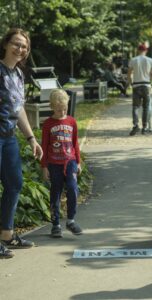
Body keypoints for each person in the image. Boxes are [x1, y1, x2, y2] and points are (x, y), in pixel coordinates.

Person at [0, 28, 43, 259]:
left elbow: (18, 109)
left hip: (8, 138)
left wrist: (31, 138)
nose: (20, 49)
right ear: (6, 44)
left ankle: (7, 235)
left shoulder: (18, 74)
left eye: (24, 46)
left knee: (15, 184)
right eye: (16, 44)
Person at [41, 89, 82, 238]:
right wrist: (44, 166)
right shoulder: (48, 124)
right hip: (54, 164)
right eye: (58, 110)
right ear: (52, 107)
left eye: (64, 109)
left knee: (72, 189)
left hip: (70, 162)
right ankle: (56, 224)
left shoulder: (72, 121)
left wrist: (78, 162)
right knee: (55, 192)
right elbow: (44, 146)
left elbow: (75, 143)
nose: (62, 112)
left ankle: (71, 220)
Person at [127, 44, 152, 135]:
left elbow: (129, 73)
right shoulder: (150, 60)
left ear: (138, 50)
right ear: (146, 50)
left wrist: (131, 82)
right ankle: (144, 127)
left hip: (136, 85)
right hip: (146, 85)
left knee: (135, 107)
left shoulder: (133, 60)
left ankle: (135, 125)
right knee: (146, 107)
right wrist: (150, 81)